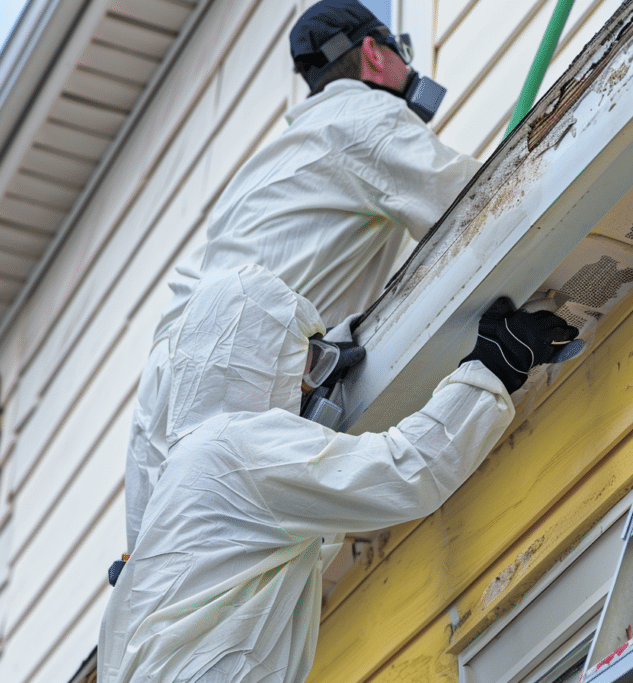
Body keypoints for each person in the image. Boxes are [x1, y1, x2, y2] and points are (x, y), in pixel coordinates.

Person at [98, 264, 577, 682]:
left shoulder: (186, 471)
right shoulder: (236, 448)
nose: (307, 385)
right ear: (259, 361)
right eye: (304, 363)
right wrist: (496, 366)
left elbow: (307, 540)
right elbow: (407, 472)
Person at [124, 0, 483, 554]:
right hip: (243, 372)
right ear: (373, 52)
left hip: (164, 397)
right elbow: (473, 203)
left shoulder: (274, 162)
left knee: (170, 572)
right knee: (277, 558)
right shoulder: (365, 117)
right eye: (401, 52)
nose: (409, 68)